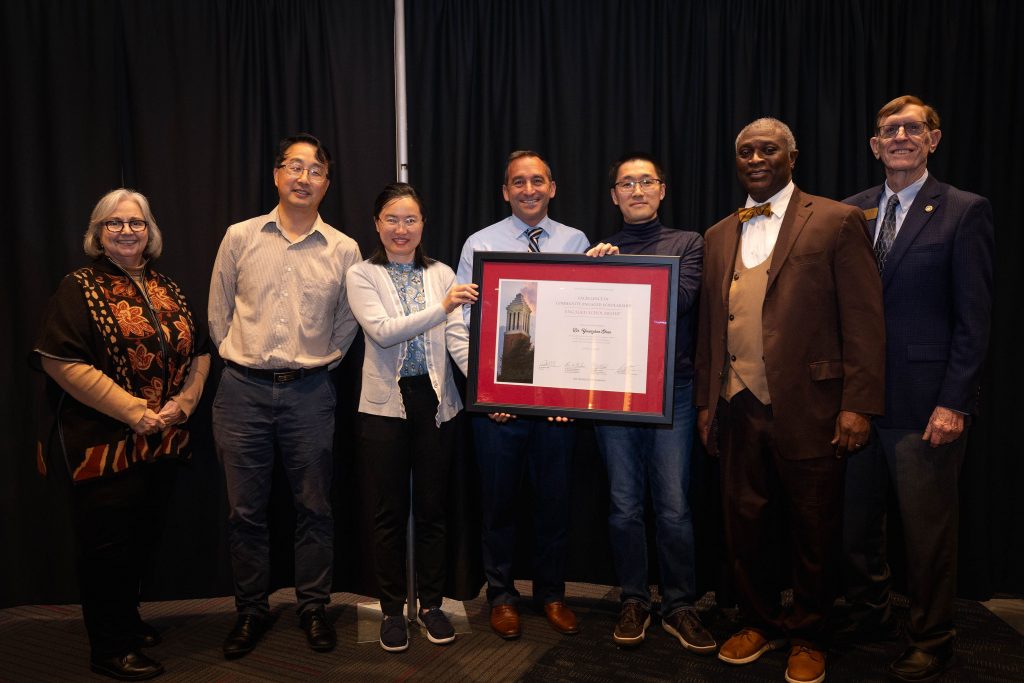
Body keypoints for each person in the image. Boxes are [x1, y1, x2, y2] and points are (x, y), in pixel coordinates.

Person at [694, 118, 885, 683]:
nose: (756, 157)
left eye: (768, 149)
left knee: (814, 525)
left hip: (813, 405)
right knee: (745, 522)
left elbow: (865, 320)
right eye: (746, 150)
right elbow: (710, 328)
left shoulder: (835, 219)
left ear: (791, 157)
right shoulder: (717, 234)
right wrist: (708, 404)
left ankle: (809, 632)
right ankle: (756, 619)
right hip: (736, 404)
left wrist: (859, 404)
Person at [840, 95, 994, 682]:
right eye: (888, 130)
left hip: (927, 406)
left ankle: (932, 636)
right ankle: (872, 617)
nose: (900, 136)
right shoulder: (849, 213)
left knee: (926, 536)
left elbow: (974, 321)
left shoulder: (963, 210)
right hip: (857, 407)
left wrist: (954, 401)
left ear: (933, 139)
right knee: (856, 531)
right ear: (875, 145)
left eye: (912, 127)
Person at [31, 188, 210, 681]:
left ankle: (126, 623)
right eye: (115, 223)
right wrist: (134, 411)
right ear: (97, 233)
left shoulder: (167, 287)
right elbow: (59, 361)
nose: (127, 231)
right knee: (106, 548)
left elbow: (202, 351)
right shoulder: (79, 287)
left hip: (161, 441)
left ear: (150, 232)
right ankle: (108, 647)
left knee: (142, 541)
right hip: (102, 445)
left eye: (136, 223)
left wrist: (183, 405)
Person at [208, 133, 361, 658]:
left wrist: (320, 363)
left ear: (326, 183)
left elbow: (347, 324)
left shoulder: (344, 248)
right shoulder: (240, 236)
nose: (303, 177)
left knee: (314, 507)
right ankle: (250, 611)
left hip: (310, 394)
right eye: (294, 167)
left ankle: (313, 607)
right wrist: (242, 355)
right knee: (244, 512)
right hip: (241, 392)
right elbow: (218, 311)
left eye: (315, 170)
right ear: (276, 175)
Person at [456, 150, 590, 640]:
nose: (528, 189)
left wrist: (570, 394)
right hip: (499, 407)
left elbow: (586, 320)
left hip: (557, 407)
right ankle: (502, 595)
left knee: (554, 503)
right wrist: (488, 392)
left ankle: (552, 594)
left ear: (552, 187)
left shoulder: (576, 241)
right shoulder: (480, 243)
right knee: (499, 504)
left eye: (537, 181)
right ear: (505, 191)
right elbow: (462, 322)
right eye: (518, 182)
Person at [585, 154, 714, 653]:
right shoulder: (599, 250)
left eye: (646, 181)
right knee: (622, 505)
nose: (637, 190)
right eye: (626, 183)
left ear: (662, 190)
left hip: (672, 389)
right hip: (611, 390)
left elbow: (676, 300)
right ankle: (634, 599)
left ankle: (679, 605)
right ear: (614, 196)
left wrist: (615, 271)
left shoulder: (688, 243)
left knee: (676, 506)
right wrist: (594, 274)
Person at [346, 183, 478, 652]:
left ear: (423, 225)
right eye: (392, 220)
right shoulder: (361, 274)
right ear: (377, 224)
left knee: (433, 510)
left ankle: (431, 605)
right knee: (387, 513)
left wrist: (487, 388)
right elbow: (382, 333)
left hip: (438, 402)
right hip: (385, 404)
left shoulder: (442, 272)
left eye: (411, 220)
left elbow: (457, 339)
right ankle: (390, 610)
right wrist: (442, 307)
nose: (402, 229)